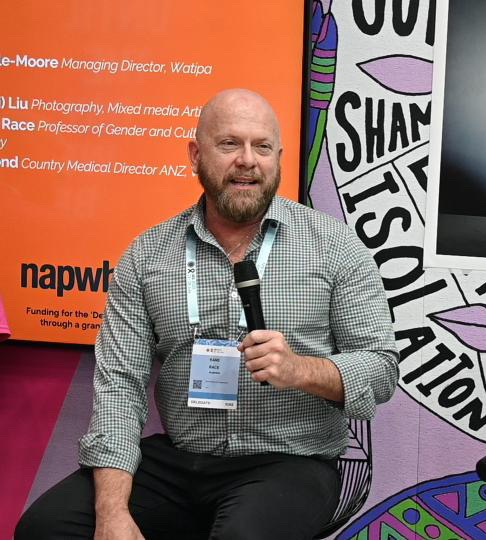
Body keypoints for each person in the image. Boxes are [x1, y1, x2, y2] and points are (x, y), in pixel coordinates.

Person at [15, 89, 398, 540]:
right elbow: (120, 386)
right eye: (229, 144)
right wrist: (113, 511)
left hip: (289, 462)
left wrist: (300, 369)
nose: (247, 161)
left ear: (279, 157)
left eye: (262, 147)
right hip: (182, 460)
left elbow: (380, 370)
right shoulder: (147, 255)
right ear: (196, 154)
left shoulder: (335, 247)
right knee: (45, 528)